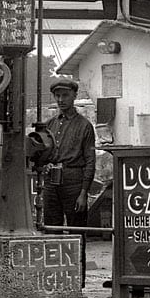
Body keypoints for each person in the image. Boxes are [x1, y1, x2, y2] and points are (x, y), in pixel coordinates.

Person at [31, 76, 96, 229]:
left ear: (75, 96)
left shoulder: (84, 126)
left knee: (77, 229)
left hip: (74, 184)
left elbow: (90, 161)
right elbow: (41, 156)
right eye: (57, 96)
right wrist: (44, 165)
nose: (60, 99)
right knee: (52, 230)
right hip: (51, 185)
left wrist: (83, 193)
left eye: (65, 95)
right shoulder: (49, 125)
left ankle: (80, 255)